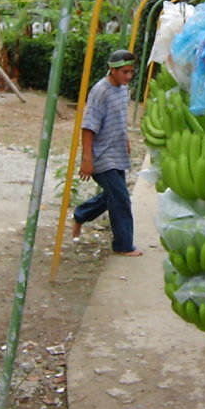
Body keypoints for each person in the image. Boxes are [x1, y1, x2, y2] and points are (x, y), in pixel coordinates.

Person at [71, 48, 143, 256]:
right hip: (101, 156)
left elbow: (118, 118)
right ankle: (123, 245)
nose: (129, 77)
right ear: (112, 70)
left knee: (112, 195)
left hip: (117, 151)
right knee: (121, 198)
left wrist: (126, 140)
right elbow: (88, 126)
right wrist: (87, 159)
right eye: (125, 73)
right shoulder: (100, 91)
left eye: (131, 72)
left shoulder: (123, 89)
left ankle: (80, 214)